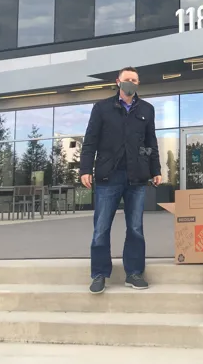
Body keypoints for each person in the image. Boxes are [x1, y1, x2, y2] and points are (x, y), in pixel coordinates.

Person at [80, 67, 162, 295]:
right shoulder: (102, 108)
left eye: (134, 80)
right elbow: (90, 141)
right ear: (118, 82)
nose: (130, 83)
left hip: (136, 177)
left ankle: (134, 273)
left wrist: (155, 169)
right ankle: (99, 274)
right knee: (101, 228)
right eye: (127, 79)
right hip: (108, 176)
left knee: (135, 227)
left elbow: (151, 141)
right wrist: (85, 169)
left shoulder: (146, 109)